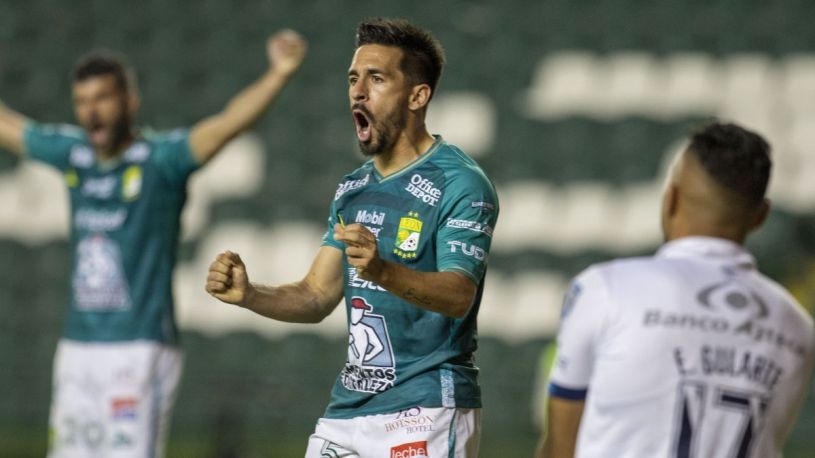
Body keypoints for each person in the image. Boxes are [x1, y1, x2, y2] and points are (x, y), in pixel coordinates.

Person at [0, 30, 307, 457]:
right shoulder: (74, 156)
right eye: (82, 101)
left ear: (130, 101)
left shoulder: (162, 160)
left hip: (139, 346)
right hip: (77, 346)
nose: (92, 112)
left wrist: (278, 74)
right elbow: (11, 128)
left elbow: (227, 124)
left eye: (103, 98)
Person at [206, 18, 498, 457]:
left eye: (376, 78)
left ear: (417, 96)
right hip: (347, 412)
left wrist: (381, 270)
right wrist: (250, 295)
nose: (358, 91)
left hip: (425, 409)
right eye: (353, 78)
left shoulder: (460, 182)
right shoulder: (353, 188)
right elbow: (316, 295)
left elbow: (459, 296)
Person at [536, 122, 815, 458]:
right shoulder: (797, 327)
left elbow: (560, 448)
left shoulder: (604, 289)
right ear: (761, 216)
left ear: (670, 199)